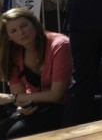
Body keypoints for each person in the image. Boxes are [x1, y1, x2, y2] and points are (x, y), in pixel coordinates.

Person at [0, 8, 72, 138]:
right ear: (9, 37)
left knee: (14, 134)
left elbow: (56, 95)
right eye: (13, 31)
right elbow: (19, 96)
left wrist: (11, 98)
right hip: (34, 106)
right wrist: (21, 106)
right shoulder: (13, 55)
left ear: (34, 22)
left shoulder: (59, 45)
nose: (21, 33)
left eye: (24, 25)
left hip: (63, 106)